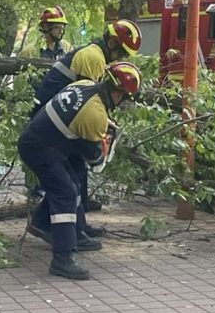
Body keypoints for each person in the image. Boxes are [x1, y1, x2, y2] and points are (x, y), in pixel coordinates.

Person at [18, 61, 143, 279]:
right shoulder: (95, 115)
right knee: (65, 192)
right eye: (125, 98)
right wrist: (106, 147)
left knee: (72, 181)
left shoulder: (86, 85)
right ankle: (63, 258)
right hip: (40, 148)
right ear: (119, 93)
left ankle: (44, 225)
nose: (123, 103)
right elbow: (95, 161)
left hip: (45, 140)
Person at [29, 19, 142, 239]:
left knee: (74, 174)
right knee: (70, 175)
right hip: (52, 123)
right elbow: (88, 101)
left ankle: (76, 225)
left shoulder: (95, 55)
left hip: (57, 119)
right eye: (121, 53)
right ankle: (58, 228)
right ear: (111, 43)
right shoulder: (93, 58)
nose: (122, 59)